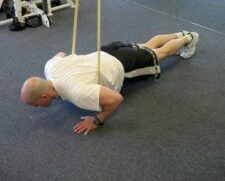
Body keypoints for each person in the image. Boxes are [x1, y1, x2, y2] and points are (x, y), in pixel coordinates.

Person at [21, 31, 199, 135]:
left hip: (122, 65)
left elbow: (115, 99)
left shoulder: (76, 93)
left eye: (35, 105)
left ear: (44, 96)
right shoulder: (50, 67)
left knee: (160, 54)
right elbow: (61, 54)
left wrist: (97, 120)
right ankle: (179, 34)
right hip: (107, 51)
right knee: (147, 46)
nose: (36, 108)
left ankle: (189, 38)